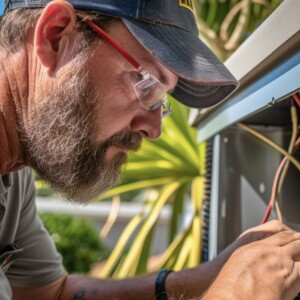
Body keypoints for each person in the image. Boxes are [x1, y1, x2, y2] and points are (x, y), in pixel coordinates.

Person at [0, 0, 300, 299]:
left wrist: (207, 277)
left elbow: (51, 293)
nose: (154, 130)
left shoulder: (14, 177)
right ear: (56, 36)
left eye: (162, 99)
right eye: (145, 82)